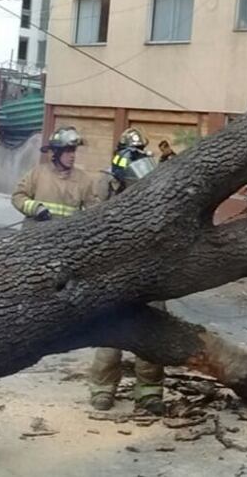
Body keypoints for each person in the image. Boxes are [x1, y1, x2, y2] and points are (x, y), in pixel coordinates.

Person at [87, 127, 166, 415]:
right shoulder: (107, 181)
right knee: (110, 331)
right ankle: (102, 389)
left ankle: (149, 392)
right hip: (114, 269)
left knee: (152, 330)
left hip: (150, 267)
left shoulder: (149, 177)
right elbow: (96, 223)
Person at [11, 126, 100, 221]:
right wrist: (35, 208)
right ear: (57, 152)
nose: (72, 156)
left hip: (66, 234)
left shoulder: (83, 180)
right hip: (37, 232)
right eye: (68, 151)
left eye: (73, 151)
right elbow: (18, 196)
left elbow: (94, 211)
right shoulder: (38, 174)